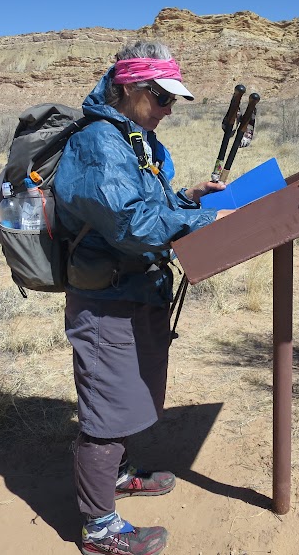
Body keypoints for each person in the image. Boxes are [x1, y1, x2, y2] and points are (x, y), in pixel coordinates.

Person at [53, 40, 230, 555]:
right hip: (106, 301)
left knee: (130, 393)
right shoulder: (98, 144)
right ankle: (99, 529)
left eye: (173, 99)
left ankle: (118, 474)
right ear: (131, 88)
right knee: (106, 410)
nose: (169, 109)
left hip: (135, 290)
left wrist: (189, 199)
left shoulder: (133, 138)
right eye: (162, 97)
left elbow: (147, 205)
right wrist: (205, 221)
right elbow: (130, 225)